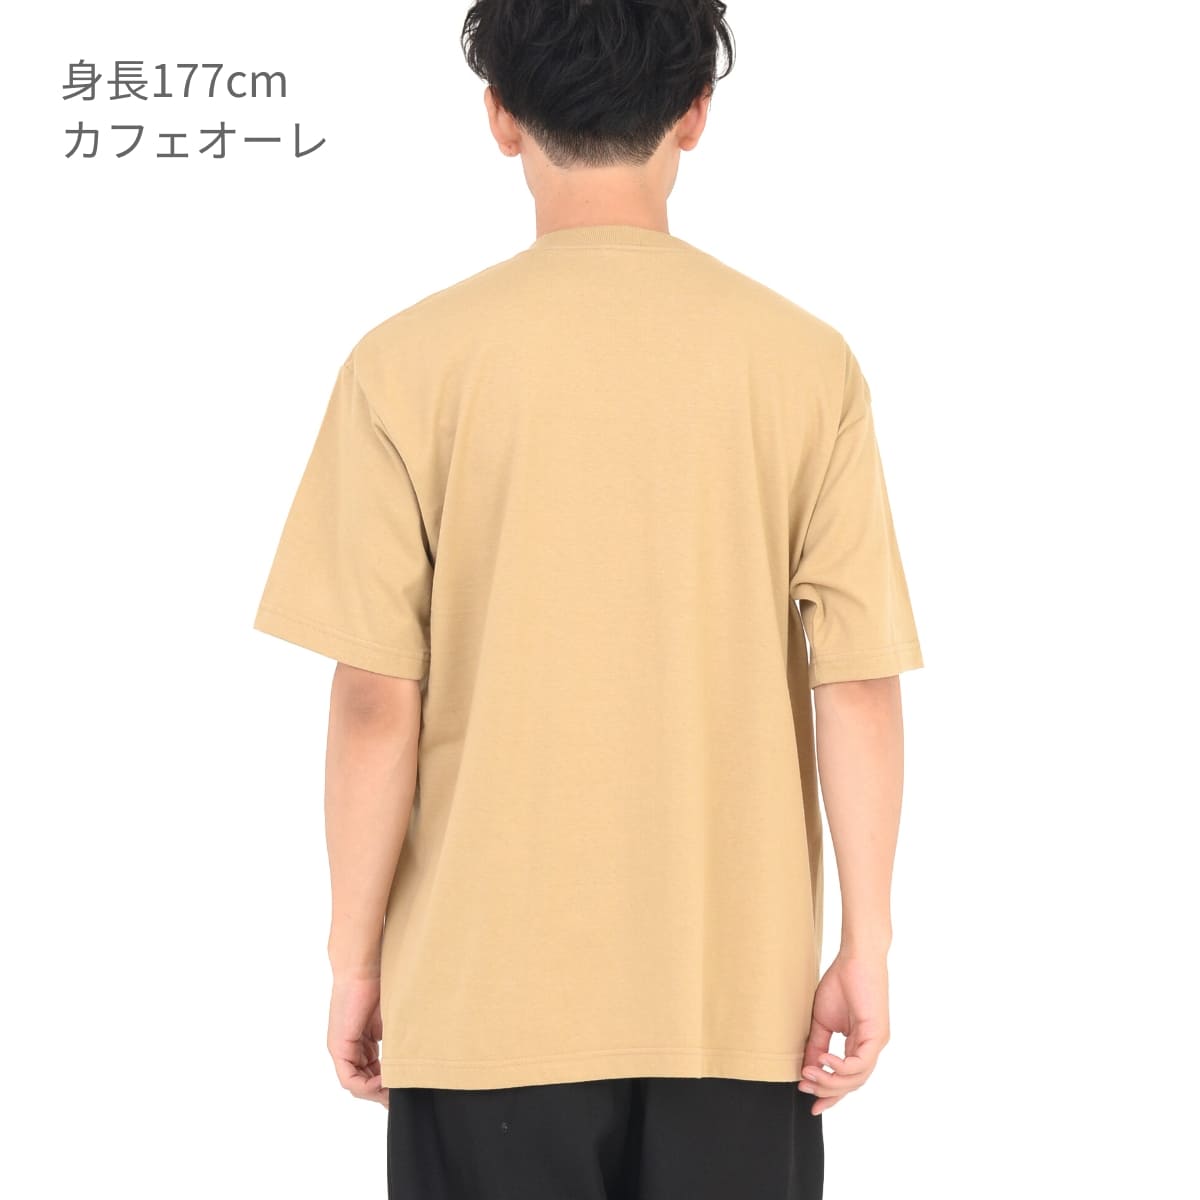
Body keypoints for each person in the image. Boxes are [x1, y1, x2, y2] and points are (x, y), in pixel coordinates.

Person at [252, 2, 923, 1195]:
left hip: (480, 1003)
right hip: (738, 1011)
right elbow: (857, 683)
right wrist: (865, 944)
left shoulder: (405, 365)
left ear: (501, 116)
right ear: (696, 113)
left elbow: (373, 700)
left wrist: (356, 958)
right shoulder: (806, 364)